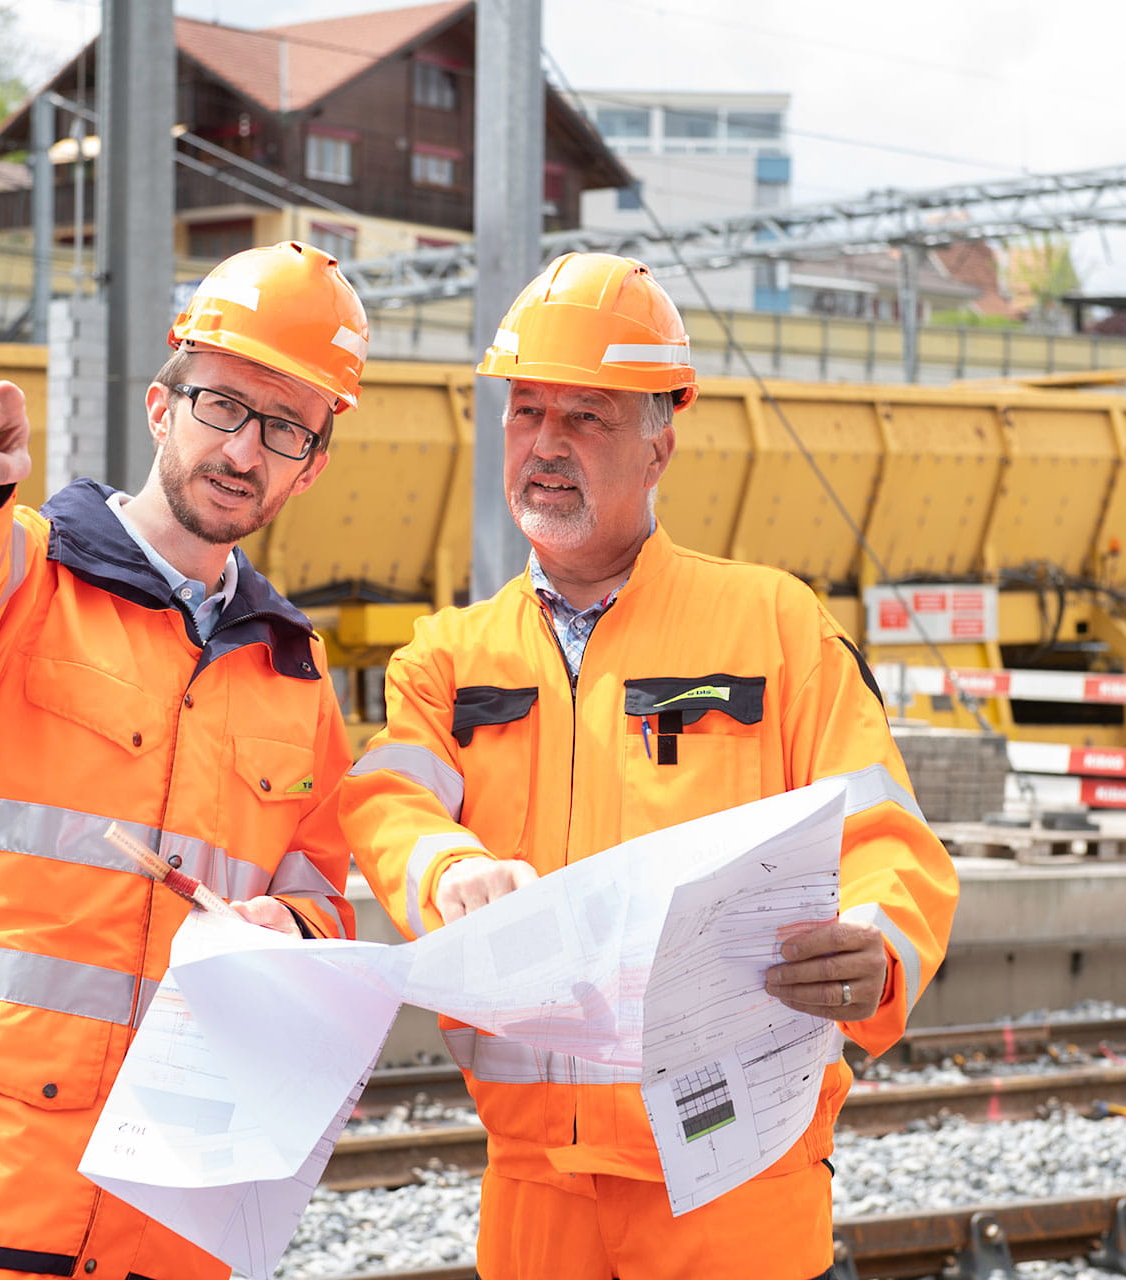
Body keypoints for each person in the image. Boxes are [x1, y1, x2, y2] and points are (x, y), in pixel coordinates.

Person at [340, 253, 958, 1280]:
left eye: (587, 417)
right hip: (536, 1191)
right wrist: (446, 865)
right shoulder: (448, 659)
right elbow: (389, 799)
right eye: (527, 410)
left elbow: (886, 835)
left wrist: (880, 945)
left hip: (733, 1184)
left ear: (660, 441)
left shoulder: (774, 626)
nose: (546, 444)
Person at [0, 241, 369, 1280]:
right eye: (223, 404)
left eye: (283, 428)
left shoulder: (295, 677)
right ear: (160, 404)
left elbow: (329, 898)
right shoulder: (23, 579)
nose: (243, 449)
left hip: (173, 1205)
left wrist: (295, 924)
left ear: (311, 464)